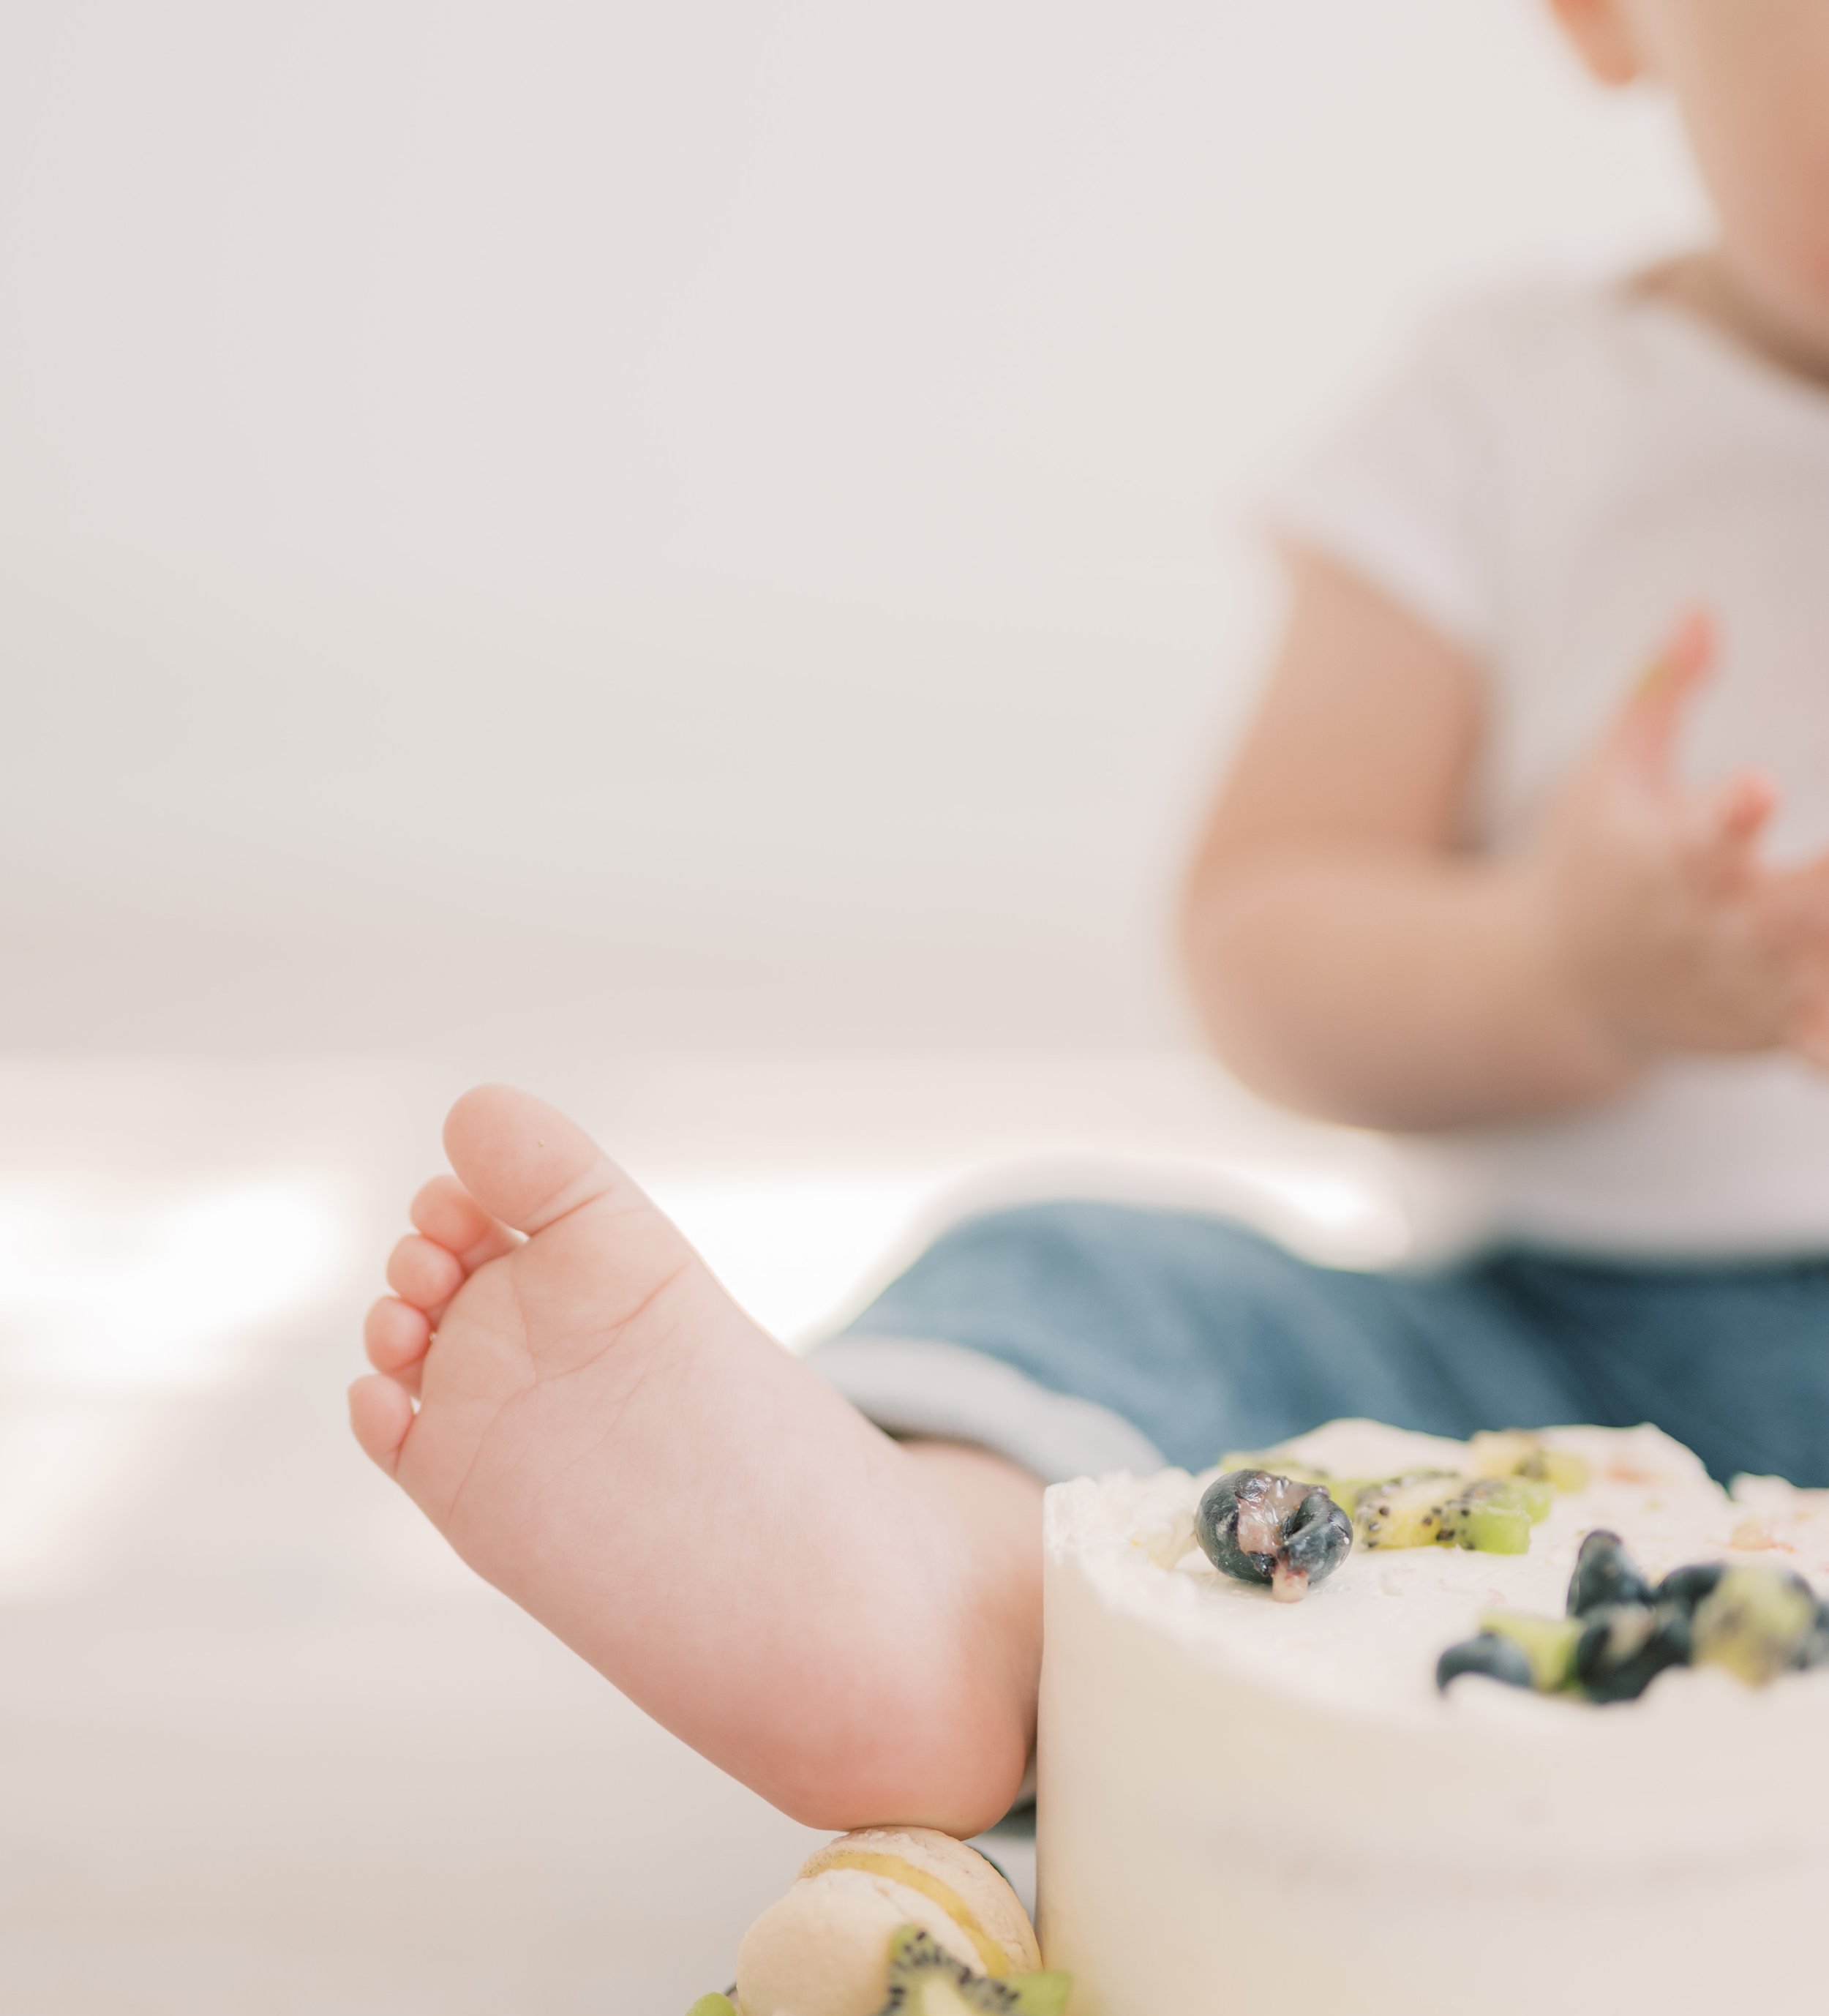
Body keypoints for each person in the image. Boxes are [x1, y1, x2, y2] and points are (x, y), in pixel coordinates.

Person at [350, 0, 1829, 1837]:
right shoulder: (1503, 424)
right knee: (1097, 1275)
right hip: (1537, 1383)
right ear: (1618, 22)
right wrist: (1564, 972)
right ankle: (951, 1604)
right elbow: (1264, 940)